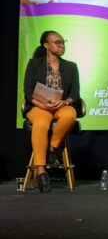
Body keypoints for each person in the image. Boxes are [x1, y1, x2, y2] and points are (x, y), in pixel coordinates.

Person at [23, 31, 81, 193]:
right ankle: (41, 172)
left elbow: (75, 93)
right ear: (46, 45)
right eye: (57, 42)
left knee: (70, 114)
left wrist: (66, 101)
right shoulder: (34, 64)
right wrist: (40, 104)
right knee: (41, 123)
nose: (61, 45)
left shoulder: (71, 67)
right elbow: (27, 90)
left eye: (63, 42)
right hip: (39, 106)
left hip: (61, 106)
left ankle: (52, 149)